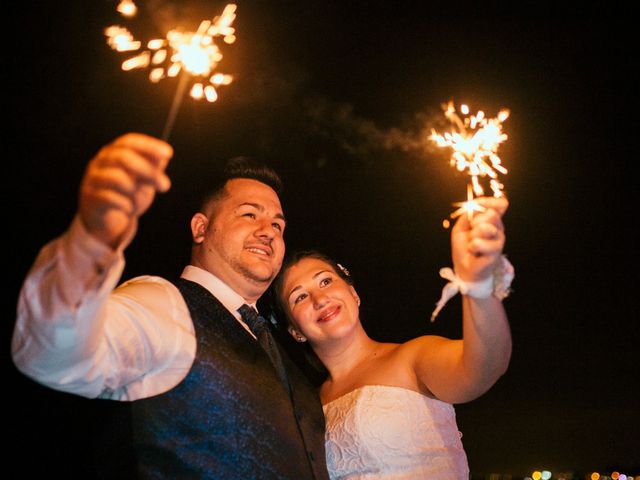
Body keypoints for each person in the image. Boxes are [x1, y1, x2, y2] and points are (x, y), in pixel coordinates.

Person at [12, 132, 330, 479]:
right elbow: (56, 356)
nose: (268, 231)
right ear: (200, 228)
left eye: (278, 224)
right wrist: (90, 243)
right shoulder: (163, 304)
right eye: (250, 215)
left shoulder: (286, 358)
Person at [273, 196, 513, 479]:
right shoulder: (305, 405)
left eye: (326, 281)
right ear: (295, 331)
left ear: (353, 293)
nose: (320, 298)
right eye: (300, 296)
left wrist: (478, 286)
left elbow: (484, 367)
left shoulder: (412, 357)